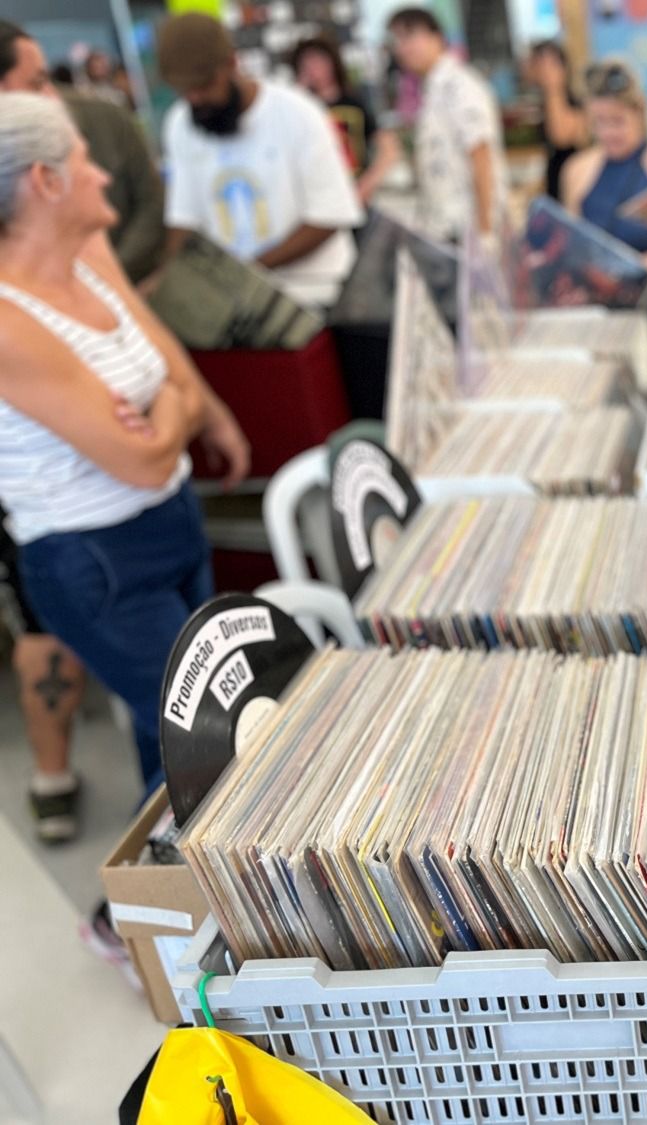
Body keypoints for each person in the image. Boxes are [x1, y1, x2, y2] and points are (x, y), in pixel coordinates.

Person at [0, 93, 250, 814]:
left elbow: (177, 391)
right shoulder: (13, 321)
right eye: (85, 162)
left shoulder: (84, 267)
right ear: (44, 182)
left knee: (170, 743)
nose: (103, 177)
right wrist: (169, 406)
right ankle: (126, 916)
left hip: (168, 520)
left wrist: (164, 410)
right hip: (96, 558)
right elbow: (136, 457)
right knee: (214, 743)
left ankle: (160, 917)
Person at [156, 12, 364, 308]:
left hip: (316, 294)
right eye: (185, 91)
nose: (195, 99)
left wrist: (246, 272)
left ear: (231, 63)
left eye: (203, 86)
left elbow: (330, 216)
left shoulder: (299, 114)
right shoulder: (180, 124)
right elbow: (184, 218)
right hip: (234, 302)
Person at [0, 22, 165, 283]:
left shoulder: (104, 119)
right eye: (37, 83)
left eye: (48, 79)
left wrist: (108, 281)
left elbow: (152, 204)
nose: (51, 96)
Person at [561, 60, 647, 293]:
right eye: (598, 123)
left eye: (617, 121)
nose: (608, 133)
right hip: (603, 298)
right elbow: (568, 245)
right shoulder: (576, 169)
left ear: (640, 112)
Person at [386, 7, 506, 240]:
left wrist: (485, 231)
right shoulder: (432, 89)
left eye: (410, 36)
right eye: (396, 40)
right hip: (447, 227)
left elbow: (481, 155)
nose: (403, 48)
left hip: (469, 228)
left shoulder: (460, 85)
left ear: (437, 37)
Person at [291, 36, 401, 206]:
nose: (313, 69)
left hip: (356, 193)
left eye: (318, 61)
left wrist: (367, 184)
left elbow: (389, 147)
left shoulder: (354, 103)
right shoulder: (301, 108)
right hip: (318, 198)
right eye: (306, 64)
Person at [528, 39, 588, 203]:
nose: (543, 71)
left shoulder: (573, 103)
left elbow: (561, 137)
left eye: (548, 64)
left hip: (573, 191)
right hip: (555, 188)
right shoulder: (544, 104)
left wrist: (553, 87)